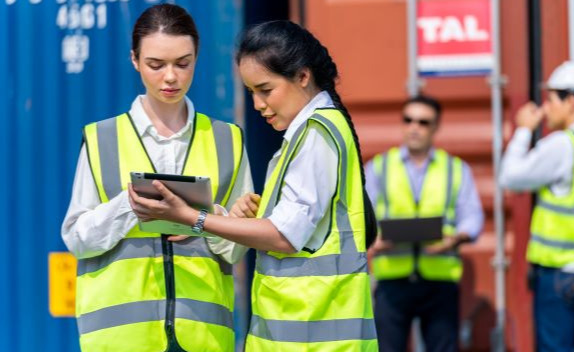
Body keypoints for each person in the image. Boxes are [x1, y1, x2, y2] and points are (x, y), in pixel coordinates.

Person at [128, 20, 379, 351]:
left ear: (303, 76)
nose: (258, 104)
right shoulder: (315, 131)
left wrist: (195, 219)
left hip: (312, 338)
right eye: (251, 93)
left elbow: (285, 236)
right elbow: (305, 228)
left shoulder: (316, 135)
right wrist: (257, 215)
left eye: (266, 90)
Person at [61, 4, 252, 352]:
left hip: (204, 337)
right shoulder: (102, 139)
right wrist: (131, 205)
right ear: (135, 59)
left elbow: (237, 250)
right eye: (156, 64)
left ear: (197, 57)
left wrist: (207, 219)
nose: (170, 77)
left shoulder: (229, 140)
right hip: (121, 339)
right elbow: (76, 238)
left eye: (183, 63)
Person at [500, 61, 574, 351]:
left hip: (560, 274)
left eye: (552, 99)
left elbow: (511, 177)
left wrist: (523, 131)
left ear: (571, 101)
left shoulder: (563, 145)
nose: (545, 108)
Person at [365, 95, 484, 352]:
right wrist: (373, 240)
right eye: (408, 120)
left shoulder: (455, 169)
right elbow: (360, 217)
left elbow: (472, 215)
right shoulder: (379, 168)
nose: (414, 127)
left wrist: (456, 239)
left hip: (439, 280)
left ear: (435, 127)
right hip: (392, 280)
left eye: (423, 122)